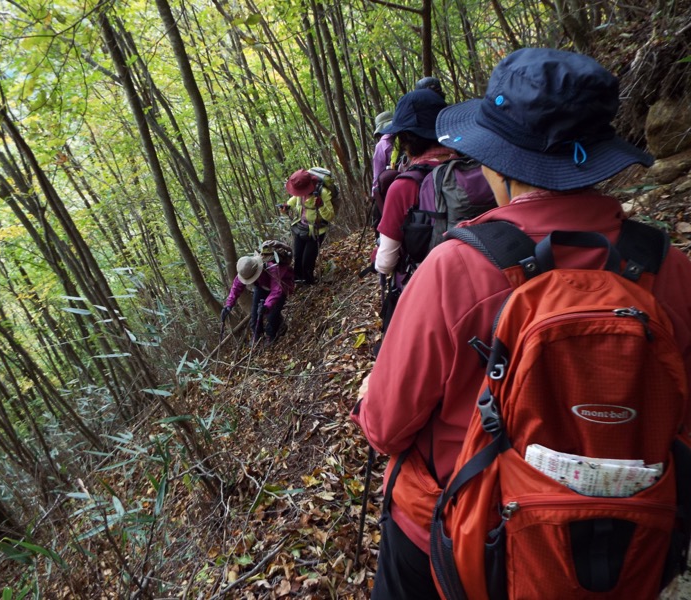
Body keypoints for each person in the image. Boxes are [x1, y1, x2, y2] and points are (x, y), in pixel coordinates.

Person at [351, 47, 691, 599]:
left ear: (498, 161)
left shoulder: (455, 269)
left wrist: (371, 395)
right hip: (624, 545)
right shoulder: (668, 271)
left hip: (452, 536)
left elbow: (386, 428)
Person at [373, 88, 454, 283]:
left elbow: (385, 263)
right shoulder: (475, 167)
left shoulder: (403, 186)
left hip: (432, 287)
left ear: (405, 139)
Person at [221, 251, 294, 344]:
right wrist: (228, 306)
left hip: (281, 286)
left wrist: (266, 306)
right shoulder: (246, 271)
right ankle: (257, 334)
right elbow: (236, 287)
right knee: (255, 314)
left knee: (272, 315)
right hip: (262, 286)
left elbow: (276, 290)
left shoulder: (272, 268)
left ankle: (273, 334)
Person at [281, 169, 335, 284]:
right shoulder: (300, 194)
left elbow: (330, 216)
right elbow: (294, 199)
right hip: (300, 228)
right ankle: (298, 280)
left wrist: (320, 206)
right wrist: (287, 206)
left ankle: (309, 282)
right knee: (298, 257)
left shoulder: (323, 192)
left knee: (307, 261)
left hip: (316, 231)